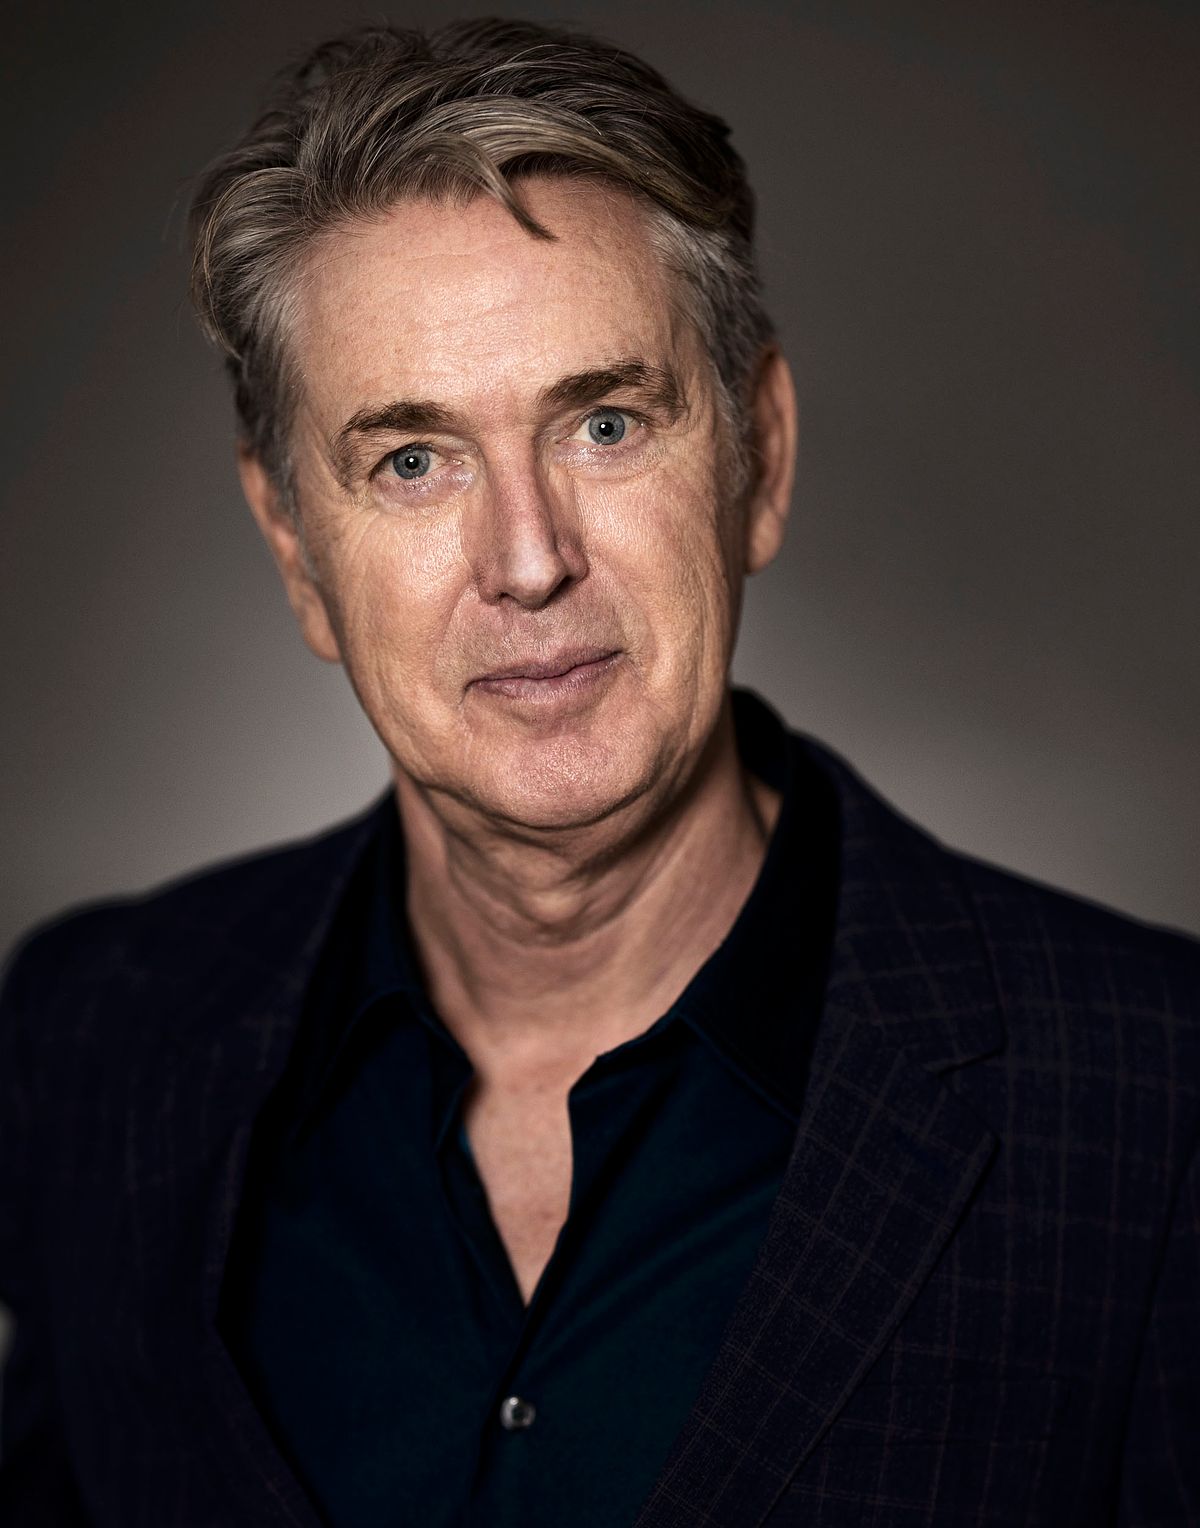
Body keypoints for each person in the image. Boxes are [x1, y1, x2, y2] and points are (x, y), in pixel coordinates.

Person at [0, 17, 1196, 1527]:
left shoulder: (1158, 1109)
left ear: (759, 456)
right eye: (413, 460)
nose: (528, 559)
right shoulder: (94, 1044)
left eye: (607, 424)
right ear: (296, 548)